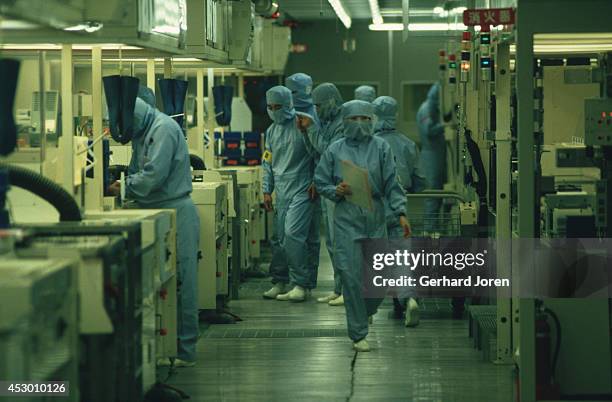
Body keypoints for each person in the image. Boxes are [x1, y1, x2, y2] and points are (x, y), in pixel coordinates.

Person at [107, 92, 200, 367]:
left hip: (175, 212)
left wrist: (124, 187)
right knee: (161, 282)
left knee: (182, 281)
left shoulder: (162, 129)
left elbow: (153, 176)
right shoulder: (144, 130)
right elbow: (139, 167)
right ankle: (163, 346)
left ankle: (185, 349)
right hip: (157, 211)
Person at [314, 100, 410, 352]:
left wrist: (400, 212)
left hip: (376, 216)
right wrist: (336, 190)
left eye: (365, 119)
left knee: (380, 278)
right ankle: (358, 333)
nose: (359, 124)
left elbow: (392, 182)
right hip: (346, 217)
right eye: (353, 119)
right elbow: (320, 179)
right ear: (344, 121)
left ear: (373, 120)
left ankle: (367, 309)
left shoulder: (381, 148)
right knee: (351, 276)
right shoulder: (335, 150)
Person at [373, 95, 425, 327]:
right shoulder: (406, 143)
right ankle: (407, 297)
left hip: (373, 210)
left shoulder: (368, 146)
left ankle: (367, 309)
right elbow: (420, 178)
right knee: (401, 256)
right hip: (399, 206)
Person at [262, 86, 317, 302]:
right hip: (281, 190)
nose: (274, 111)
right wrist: (267, 190)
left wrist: (316, 181)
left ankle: (300, 283)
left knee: (294, 235)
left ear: (289, 104)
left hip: (303, 187)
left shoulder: (302, 124)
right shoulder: (271, 131)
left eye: (278, 106)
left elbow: (316, 154)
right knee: (279, 238)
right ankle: (280, 280)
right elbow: (267, 161)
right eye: (270, 107)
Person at [305, 82, 346, 306]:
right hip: (327, 187)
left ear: (331, 101)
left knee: (340, 242)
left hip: (339, 189)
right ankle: (338, 288)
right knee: (331, 241)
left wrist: (311, 128)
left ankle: (347, 289)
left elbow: (329, 151)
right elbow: (317, 154)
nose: (317, 110)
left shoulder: (341, 124)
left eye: (319, 106)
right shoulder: (329, 122)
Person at [286, 73, 321, 294]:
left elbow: (323, 153)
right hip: (289, 185)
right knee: (296, 237)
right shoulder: (285, 118)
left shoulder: (315, 116)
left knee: (306, 237)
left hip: (309, 184)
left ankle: (305, 282)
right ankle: (302, 282)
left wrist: (318, 179)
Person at [417, 83, 446, 234]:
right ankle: (429, 230)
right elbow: (428, 130)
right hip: (431, 156)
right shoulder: (426, 108)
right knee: (433, 193)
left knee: (438, 193)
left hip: (436, 155)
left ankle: (433, 228)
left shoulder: (432, 108)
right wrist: (446, 126)